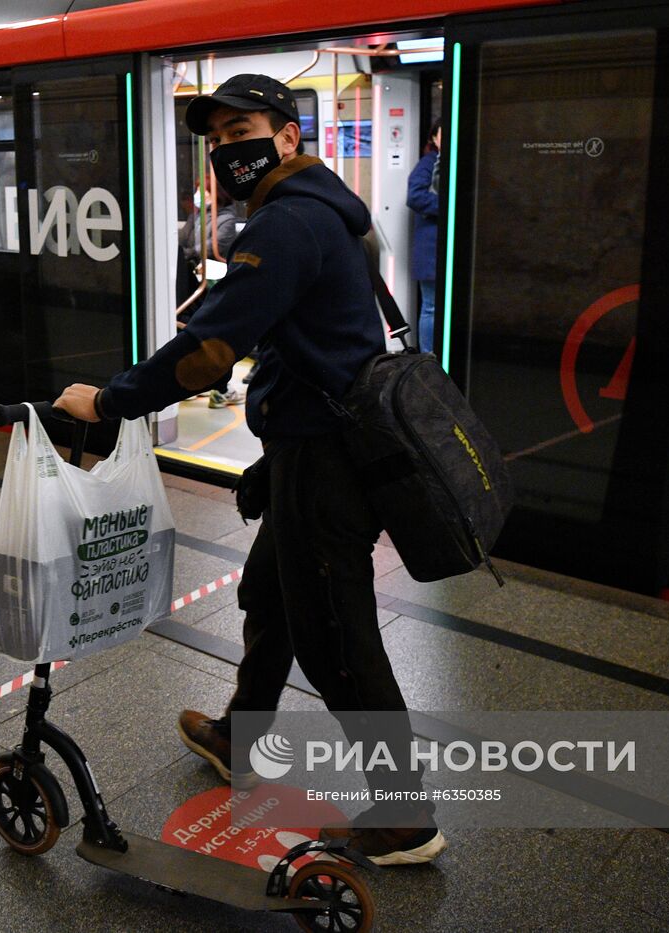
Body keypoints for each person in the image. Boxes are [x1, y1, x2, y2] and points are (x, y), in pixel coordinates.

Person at [52, 74, 445, 866]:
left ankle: (405, 813)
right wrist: (274, 448)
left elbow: (209, 349)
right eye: (219, 139)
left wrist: (112, 401)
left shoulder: (289, 223)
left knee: (336, 631)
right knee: (270, 592)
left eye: (244, 133)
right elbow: (311, 344)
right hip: (308, 445)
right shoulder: (324, 208)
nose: (229, 150)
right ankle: (241, 734)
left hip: (326, 462)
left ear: (288, 137)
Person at [177, 174, 243, 408]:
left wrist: (189, 253)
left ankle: (221, 388)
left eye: (203, 191)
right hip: (191, 280)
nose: (198, 195)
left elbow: (207, 248)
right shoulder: (197, 216)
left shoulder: (226, 219)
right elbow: (183, 242)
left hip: (212, 280)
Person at [406, 122, 441, 354]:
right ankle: (428, 356)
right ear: (434, 139)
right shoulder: (429, 163)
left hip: (439, 248)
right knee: (430, 306)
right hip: (431, 249)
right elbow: (415, 197)